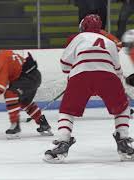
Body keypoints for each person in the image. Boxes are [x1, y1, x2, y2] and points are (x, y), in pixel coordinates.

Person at [43, 14, 134, 163]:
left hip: (81, 75)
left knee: (67, 111)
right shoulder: (109, 41)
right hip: (108, 75)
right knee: (122, 108)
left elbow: (64, 64)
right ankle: (123, 141)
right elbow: (117, 69)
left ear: (83, 27)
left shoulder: (78, 38)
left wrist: (72, 74)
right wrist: (119, 89)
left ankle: (62, 142)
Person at [0, 42, 53, 139]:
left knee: (10, 94)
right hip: (32, 76)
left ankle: (15, 125)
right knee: (24, 102)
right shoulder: (3, 55)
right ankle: (43, 123)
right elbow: (7, 75)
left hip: (28, 78)